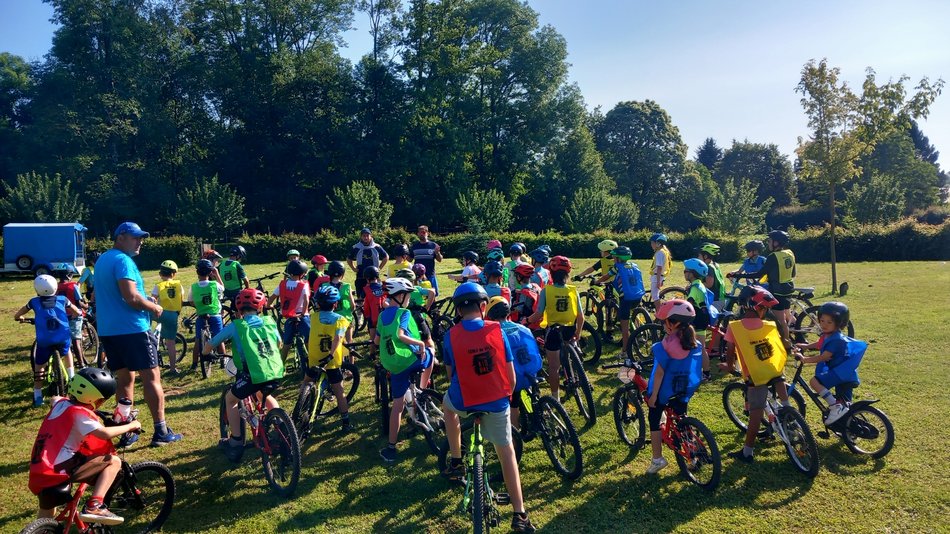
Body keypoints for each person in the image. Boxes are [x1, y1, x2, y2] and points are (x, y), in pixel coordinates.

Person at [441, 282, 536, 533]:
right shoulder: (497, 330)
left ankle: (457, 459)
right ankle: (520, 514)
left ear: (459, 311)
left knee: (447, 408)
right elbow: (512, 379)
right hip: (496, 401)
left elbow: (452, 375)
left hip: (463, 401)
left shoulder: (449, 336)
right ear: (483, 306)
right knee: (506, 454)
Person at [94, 222, 181, 447]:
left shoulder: (103, 259)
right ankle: (161, 430)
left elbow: (113, 295)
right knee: (152, 378)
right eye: (135, 237)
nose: (140, 241)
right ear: (120, 237)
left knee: (125, 379)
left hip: (109, 330)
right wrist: (154, 308)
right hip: (133, 329)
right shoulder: (124, 261)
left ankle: (126, 431)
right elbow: (131, 298)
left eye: (141, 237)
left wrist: (145, 299)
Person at [28, 367, 142, 525]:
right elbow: (104, 434)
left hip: (39, 469)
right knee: (114, 461)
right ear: (95, 400)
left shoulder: (59, 403)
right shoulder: (80, 414)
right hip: (58, 469)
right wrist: (131, 426)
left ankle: (41, 528)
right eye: (101, 400)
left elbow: (55, 398)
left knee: (47, 512)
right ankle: (94, 505)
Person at [205, 289, 285, 462]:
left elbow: (210, 345)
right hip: (274, 372)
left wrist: (206, 353)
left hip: (251, 375)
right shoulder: (269, 321)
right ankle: (282, 425)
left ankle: (235, 440)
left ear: (239, 309)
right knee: (264, 394)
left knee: (231, 399)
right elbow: (279, 343)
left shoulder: (237, 326)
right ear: (261, 307)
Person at [718, 286, 790, 463]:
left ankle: (748, 451)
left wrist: (728, 366)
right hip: (775, 369)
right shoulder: (769, 325)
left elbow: (730, 352)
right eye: (765, 308)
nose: (766, 312)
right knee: (780, 385)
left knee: (756, 411)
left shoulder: (735, 327)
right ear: (758, 308)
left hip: (755, 375)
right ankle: (788, 410)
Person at [376, 277, 434, 462]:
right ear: (400, 296)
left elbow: (377, 340)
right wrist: (419, 343)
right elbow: (401, 335)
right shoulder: (404, 313)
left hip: (393, 365)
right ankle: (423, 390)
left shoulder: (381, 315)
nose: (409, 298)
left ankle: (391, 447)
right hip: (411, 360)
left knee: (397, 407)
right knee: (431, 353)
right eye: (407, 295)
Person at [645, 299, 704, 474]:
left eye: (665, 322)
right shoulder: (695, 342)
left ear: (674, 323)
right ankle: (693, 454)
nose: (663, 325)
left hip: (665, 390)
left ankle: (657, 459)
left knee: (654, 419)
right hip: (684, 388)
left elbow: (660, 373)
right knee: (681, 417)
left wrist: (654, 396)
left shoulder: (667, 345)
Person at [795, 302, 866, 425]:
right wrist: (806, 346)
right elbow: (820, 344)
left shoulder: (837, 340)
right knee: (845, 405)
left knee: (814, 382)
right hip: (844, 374)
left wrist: (805, 359)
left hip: (840, 374)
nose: (824, 325)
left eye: (829, 322)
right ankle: (848, 427)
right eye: (822, 321)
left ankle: (834, 406)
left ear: (839, 323)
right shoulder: (828, 335)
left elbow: (824, 357)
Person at [15, 275, 82, 406]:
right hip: (62, 337)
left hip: (44, 340)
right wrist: (75, 315)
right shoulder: (63, 299)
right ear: (55, 287)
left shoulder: (34, 302)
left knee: (39, 365)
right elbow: (76, 311)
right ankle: (71, 375)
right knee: (67, 349)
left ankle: (38, 395)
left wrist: (19, 317)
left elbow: (20, 312)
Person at [527, 256, 584, 398]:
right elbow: (581, 316)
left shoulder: (547, 291)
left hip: (554, 331)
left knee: (553, 367)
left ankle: (555, 397)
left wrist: (526, 320)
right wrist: (578, 332)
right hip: (570, 329)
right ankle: (576, 367)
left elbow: (539, 313)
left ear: (551, 273)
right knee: (572, 348)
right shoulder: (573, 290)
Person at [730, 230, 796, 348]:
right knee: (785, 316)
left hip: (777, 290)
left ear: (776, 243)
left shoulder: (773, 256)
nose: (768, 244)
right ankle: (791, 338)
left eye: (770, 241)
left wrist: (740, 275)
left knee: (780, 321)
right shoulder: (789, 253)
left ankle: (786, 344)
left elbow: (759, 274)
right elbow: (793, 273)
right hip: (788, 288)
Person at [486, 297, 543, 428]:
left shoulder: (493, 334)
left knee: (513, 403)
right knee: (534, 393)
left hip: (514, 377)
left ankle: (515, 430)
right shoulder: (522, 328)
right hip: (531, 369)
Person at [306, 285, 354, 433]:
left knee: (306, 382)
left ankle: (302, 402)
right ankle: (345, 421)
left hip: (314, 357)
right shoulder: (341, 320)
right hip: (331, 361)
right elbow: (338, 338)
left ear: (318, 304)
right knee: (339, 392)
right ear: (335, 304)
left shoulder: (313, 317)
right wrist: (331, 354)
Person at [595, 246, 645, 357]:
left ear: (618, 258)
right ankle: (641, 334)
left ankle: (625, 351)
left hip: (626, 298)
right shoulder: (634, 265)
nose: (612, 257)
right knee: (633, 316)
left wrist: (596, 281)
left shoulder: (617, 267)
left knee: (624, 326)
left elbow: (606, 276)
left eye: (614, 256)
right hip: (638, 296)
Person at [267, 259, 311, 365]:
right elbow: (306, 300)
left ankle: (281, 365)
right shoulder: (303, 285)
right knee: (309, 338)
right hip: (302, 316)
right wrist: (304, 312)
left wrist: (269, 306)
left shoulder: (282, 285)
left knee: (286, 343)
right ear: (302, 274)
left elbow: (272, 297)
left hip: (288, 317)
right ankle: (312, 361)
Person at [186, 259, 226, 369]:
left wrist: (198, 305)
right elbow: (222, 288)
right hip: (215, 314)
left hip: (201, 315)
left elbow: (191, 301)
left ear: (197, 272)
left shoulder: (193, 287)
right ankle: (223, 360)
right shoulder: (214, 284)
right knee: (219, 338)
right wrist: (217, 275)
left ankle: (194, 363)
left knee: (198, 340)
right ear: (210, 272)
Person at [683, 258, 717, 381]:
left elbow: (688, 305)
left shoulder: (695, 288)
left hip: (697, 321)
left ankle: (706, 374)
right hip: (701, 319)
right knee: (698, 347)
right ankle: (703, 372)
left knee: (699, 347)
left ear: (693, 273)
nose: (684, 272)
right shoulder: (698, 284)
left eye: (686, 271)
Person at [151, 261, 183, 375]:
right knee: (171, 343)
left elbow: (153, 300)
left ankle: (147, 331)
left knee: (146, 314)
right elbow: (180, 299)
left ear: (160, 274)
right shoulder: (179, 285)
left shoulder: (158, 286)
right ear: (174, 274)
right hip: (173, 315)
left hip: (160, 313)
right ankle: (173, 368)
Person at [55, 265, 88, 374]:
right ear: (69, 275)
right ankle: (82, 365)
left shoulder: (56, 286)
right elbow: (78, 302)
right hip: (74, 315)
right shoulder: (73, 286)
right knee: (76, 340)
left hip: (61, 316)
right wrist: (86, 306)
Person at [323, 261, 357, 355]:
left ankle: (340, 362)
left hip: (331, 319)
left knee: (336, 340)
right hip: (346, 317)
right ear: (342, 273)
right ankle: (351, 363)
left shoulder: (325, 286)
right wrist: (351, 310)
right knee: (349, 341)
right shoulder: (346, 286)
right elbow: (352, 304)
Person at [348, 228, 389, 298]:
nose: (366, 237)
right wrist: (354, 268)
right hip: (361, 276)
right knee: (361, 297)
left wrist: (379, 268)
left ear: (371, 236)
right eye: (364, 236)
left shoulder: (377, 247)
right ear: (361, 237)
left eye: (367, 235)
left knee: (376, 296)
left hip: (374, 277)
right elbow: (349, 259)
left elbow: (386, 257)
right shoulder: (356, 247)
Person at [409, 225, 443, 295]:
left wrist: (437, 253)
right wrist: (404, 253)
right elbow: (409, 259)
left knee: (433, 294)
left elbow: (440, 260)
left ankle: (432, 306)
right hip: (417, 277)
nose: (422, 234)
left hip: (430, 274)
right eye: (420, 232)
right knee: (418, 294)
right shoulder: (414, 246)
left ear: (427, 233)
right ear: (418, 234)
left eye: (424, 232)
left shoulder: (433, 245)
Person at [362, 266, 386, 343]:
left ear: (367, 278)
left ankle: (372, 354)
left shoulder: (366, 289)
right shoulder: (384, 287)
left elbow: (361, 299)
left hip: (372, 317)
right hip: (384, 315)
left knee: (372, 338)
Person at [649, 234, 672, 303]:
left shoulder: (659, 253)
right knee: (656, 294)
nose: (651, 245)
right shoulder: (664, 251)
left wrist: (658, 281)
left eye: (652, 243)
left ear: (658, 243)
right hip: (659, 276)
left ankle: (659, 312)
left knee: (655, 296)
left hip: (657, 276)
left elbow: (659, 268)